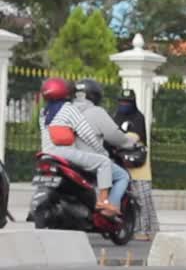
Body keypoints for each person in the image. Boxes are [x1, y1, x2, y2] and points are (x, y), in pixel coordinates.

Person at [37, 78, 117, 215]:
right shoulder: (69, 109)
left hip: (46, 154)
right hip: (64, 153)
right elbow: (86, 133)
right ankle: (103, 203)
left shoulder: (44, 112)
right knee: (104, 163)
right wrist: (101, 151)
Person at [72, 79, 138, 214]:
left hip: (66, 158)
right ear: (95, 96)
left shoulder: (66, 110)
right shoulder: (96, 112)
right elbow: (114, 135)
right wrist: (129, 143)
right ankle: (109, 209)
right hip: (88, 161)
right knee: (122, 176)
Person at [114, 89, 158, 239]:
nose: (124, 105)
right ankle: (134, 228)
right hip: (121, 163)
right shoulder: (116, 117)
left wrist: (119, 138)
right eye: (121, 102)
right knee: (127, 198)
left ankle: (148, 229)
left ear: (133, 103)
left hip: (139, 164)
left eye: (127, 102)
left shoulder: (138, 117)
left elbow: (134, 138)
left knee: (143, 198)